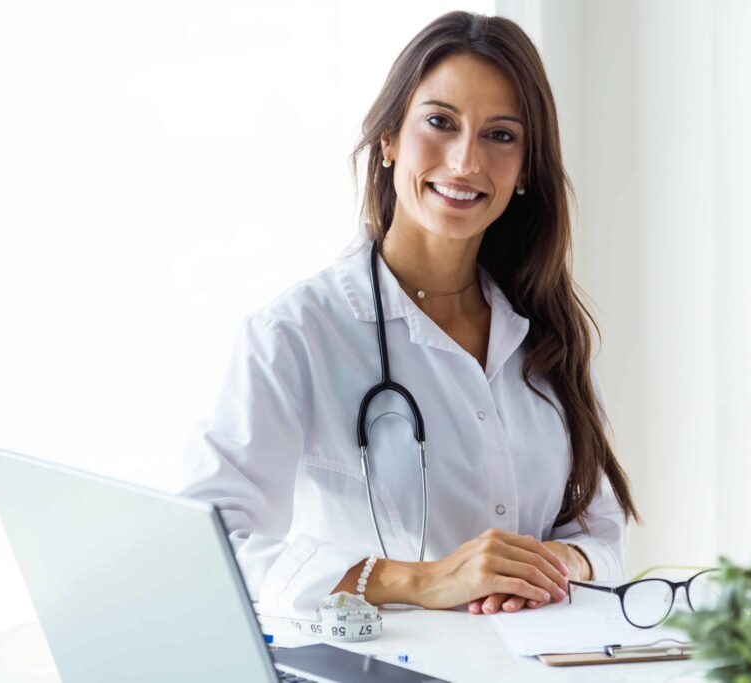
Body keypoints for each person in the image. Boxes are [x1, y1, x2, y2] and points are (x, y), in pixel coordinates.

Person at [180, 10, 639, 620]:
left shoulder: (547, 332)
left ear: (526, 168)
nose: (464, 162)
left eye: (500, 135)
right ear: (389, 137)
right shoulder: (296, 335)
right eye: (440, 123)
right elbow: (209, 545)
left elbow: (602, 534)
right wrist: (420, 580)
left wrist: (549, 566)